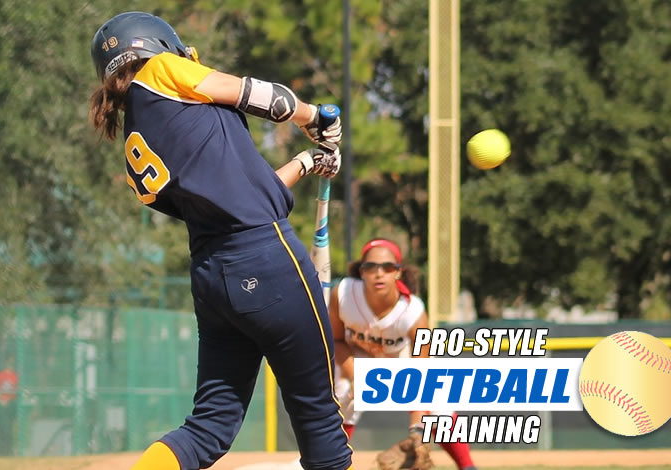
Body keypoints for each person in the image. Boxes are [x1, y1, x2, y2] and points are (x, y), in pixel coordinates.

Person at [87, 11, 352, 470]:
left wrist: (307, 163)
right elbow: (255, 93)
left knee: (208, 427)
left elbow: (245, 193)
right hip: (267, 258)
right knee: (320, 420)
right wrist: (317, 117)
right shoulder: (162, 72)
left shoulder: (137, 135)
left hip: (214, 276)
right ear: (157, 45)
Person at [330, 239, 478, 470]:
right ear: (361, 271)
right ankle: (328, 463)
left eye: (387, 267)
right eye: (371, 267)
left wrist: (416, 432)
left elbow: (421, 374)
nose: (379, 273)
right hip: (357, 354)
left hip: (401, 356)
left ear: (398, 272)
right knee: (344, 391)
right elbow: (336, 340)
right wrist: (355, 376)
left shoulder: (413, 311)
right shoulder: (344, 294)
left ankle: (468, 466)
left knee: (439, 401)